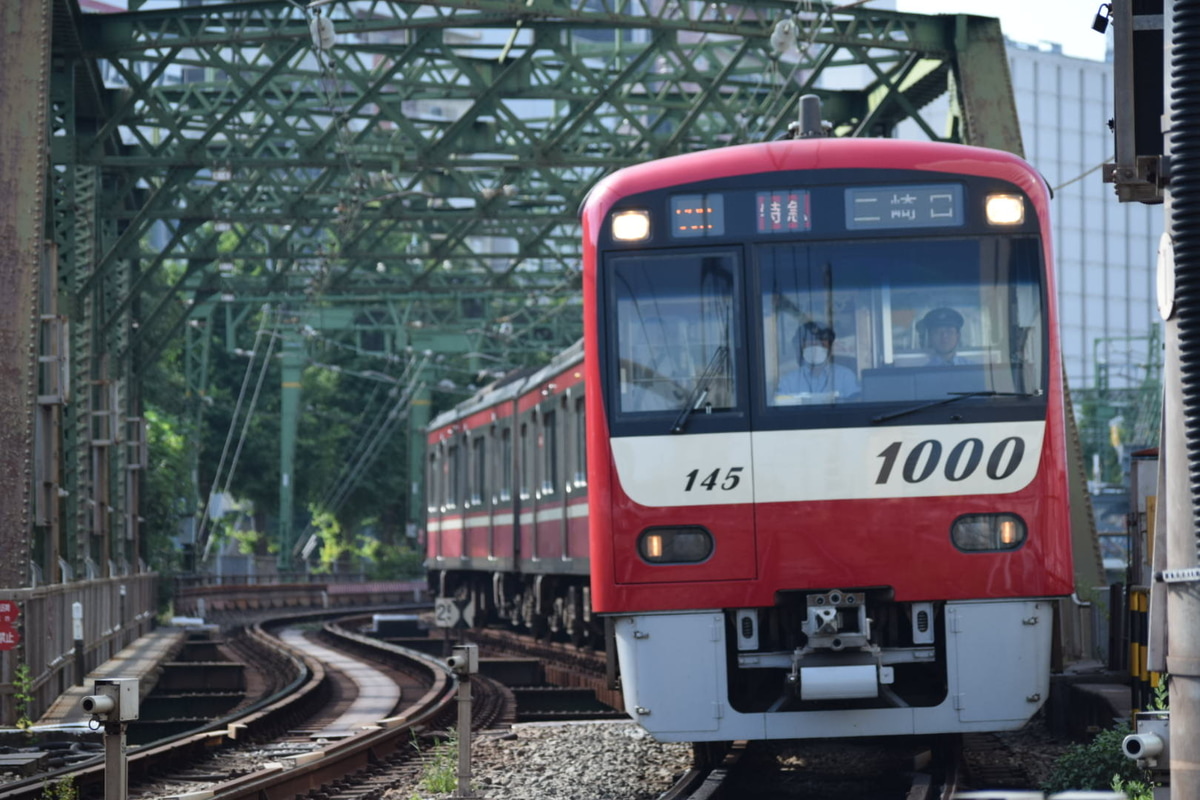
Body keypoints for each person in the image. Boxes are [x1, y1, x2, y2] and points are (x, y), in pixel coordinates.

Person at [775, 321, 858, 401]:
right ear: (801, 347)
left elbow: (855, 407)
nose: (815, 349)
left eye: (821, 344)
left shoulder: (846, 377)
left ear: (829, 347)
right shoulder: (788, 382)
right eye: (810, 344)